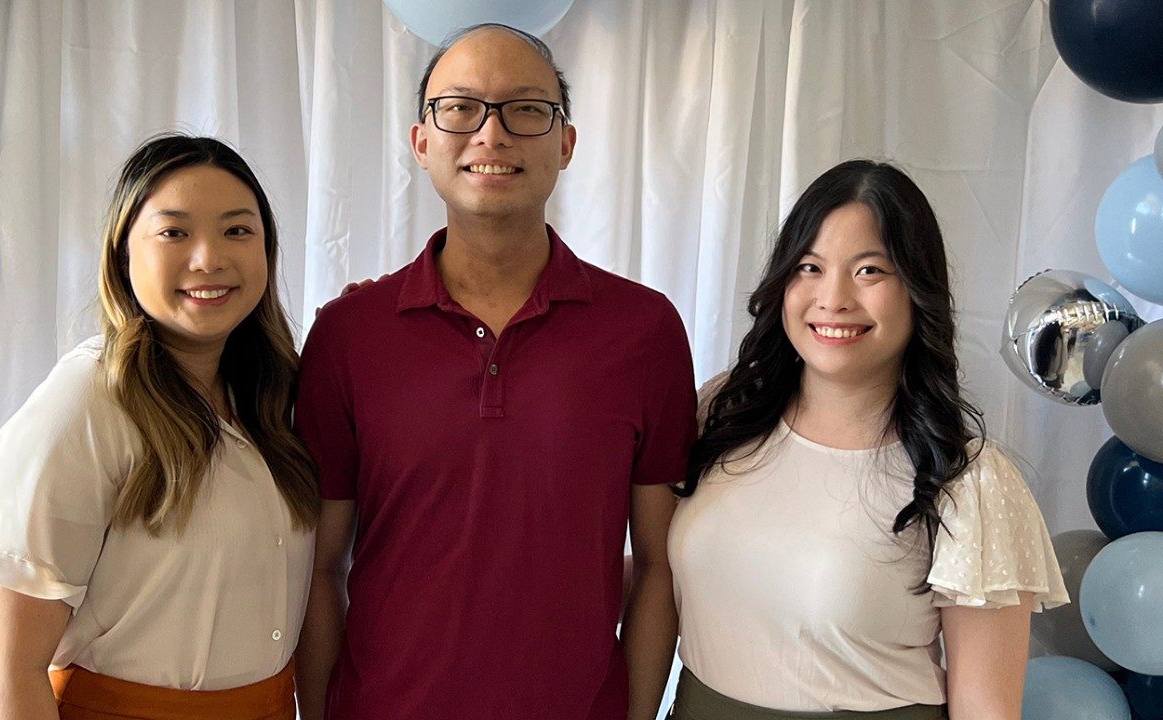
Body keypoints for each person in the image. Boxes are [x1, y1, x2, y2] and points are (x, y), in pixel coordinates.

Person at [294, 23, 696, 720]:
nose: (490, 134)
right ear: (421, 143)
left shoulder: (644, 330)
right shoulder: (347, 335)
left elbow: (660, 564)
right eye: (459, 108)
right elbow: (318, 567)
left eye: (526, 109)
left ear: (565, 144)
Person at [667, 159, 1069, 720]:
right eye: (809, 267)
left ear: (917, 289)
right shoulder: (725, 410)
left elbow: (987, 710)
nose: (833, 299)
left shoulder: (970, 481)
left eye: (870, 271)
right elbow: (690, 584)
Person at [0, 134, 319, 720]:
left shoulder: (275, 398)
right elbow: (4, 664)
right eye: (174, 232)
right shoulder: (87, 401)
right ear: (123, 253)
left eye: (237, 230)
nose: (209, 259)